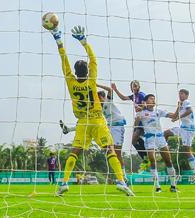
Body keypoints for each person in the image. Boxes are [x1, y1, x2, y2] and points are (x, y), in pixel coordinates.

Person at [48, 25, 133, 196]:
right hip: (97, 120)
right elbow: (94, 59)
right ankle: (121, 181)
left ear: (75, 71)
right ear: (87, 71)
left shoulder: (70, 81)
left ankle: (64, 183)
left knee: (75, 152)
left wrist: (59, 40)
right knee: (109, 149)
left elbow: (63, 60)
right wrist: (83, 41)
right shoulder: (92, 80)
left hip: (82, 123)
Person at [59, 83, 129, 183]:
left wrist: (96, 85)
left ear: (102, 97)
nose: (96, 99)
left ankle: (123, 176)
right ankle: (68, 129)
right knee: (88, 125)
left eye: (98, 97)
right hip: (107, 126)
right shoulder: (97, 108)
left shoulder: (108, 101)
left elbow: (110, 90)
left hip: (117, 126)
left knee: (117, 152)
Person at [135, 94, 178, 193]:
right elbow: (135, 126)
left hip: (160, 138)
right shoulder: (142, 113)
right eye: (151, 98)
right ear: (146, 101)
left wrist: (178, 107)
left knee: (168, 161)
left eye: (154, 99)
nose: (153, 100)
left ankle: (173, 186)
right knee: (153, 161)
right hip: (150, 139)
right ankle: (158, 187)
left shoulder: (158, 111)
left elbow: (174, 116)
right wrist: (139, 113)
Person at [164, 89, 195, 184]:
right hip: (182, 128)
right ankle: (164, 149)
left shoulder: (186, 102)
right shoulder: (182, 104)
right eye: (179, 94)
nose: (180, 96)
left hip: (188, 130)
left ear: (186, 95)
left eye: (182, 94)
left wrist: (178, 118)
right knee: (166, 133)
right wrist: (178, 107)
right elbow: (174, 116)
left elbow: (190, 110)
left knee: (187, 151)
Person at [111, 81, 147, 160]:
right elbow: (123, 98)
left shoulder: (141, 95)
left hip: (144, 119)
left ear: (139, 87)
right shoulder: (133, 96)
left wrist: (141, 108)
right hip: (138, 119)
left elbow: (145, 105)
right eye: (133, 86)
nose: (134, 87)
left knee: (135, 138)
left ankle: (146, 155)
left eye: (136, 85)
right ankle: (145, 156)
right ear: (131, 88)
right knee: (134, 141)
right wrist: (115, 89)